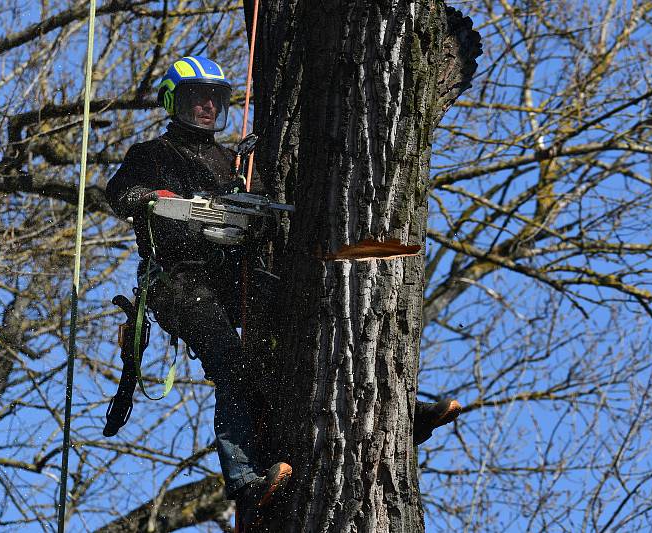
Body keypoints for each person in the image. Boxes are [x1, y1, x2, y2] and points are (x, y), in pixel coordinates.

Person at [105, 54, 462, 523]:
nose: (207, 108)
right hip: (178, 283)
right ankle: (245, 480)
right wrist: (159, 200)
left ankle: (394, 418)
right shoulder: (151, 155)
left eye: (214, 99)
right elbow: (120, 195)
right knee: (230, 366)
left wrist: (251, 216)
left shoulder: (227, 161)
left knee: (315, 315)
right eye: (197, 99)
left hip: (230, 275)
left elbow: (250, 219)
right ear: (176, 103)